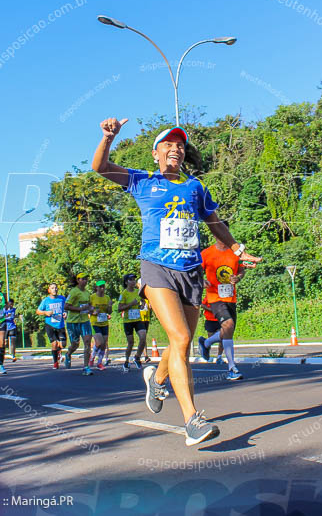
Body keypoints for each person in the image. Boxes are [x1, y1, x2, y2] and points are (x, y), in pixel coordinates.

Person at [92, 118, 261, 446]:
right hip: (156, 268)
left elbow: (215, 222)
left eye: (180, 145)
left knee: (179, 340)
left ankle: (156, 378)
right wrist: (108, 138)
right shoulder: (141, 181)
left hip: (191, 272)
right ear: (156, 153)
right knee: (182, 338)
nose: (176, 149)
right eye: (168, 144)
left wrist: (238, 250)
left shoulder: (194, 186)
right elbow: (100, 166)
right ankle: (192, 421)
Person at [198, 221, 251, 380]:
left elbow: (241, 270)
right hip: (214, 297)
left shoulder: (235, 253)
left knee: (228, 330)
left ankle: (206, 343)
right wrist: (202, 281)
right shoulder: (206, 253)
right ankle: (232, 368)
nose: (222, 235)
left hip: (230, 297)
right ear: (214, 234)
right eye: (219, 232)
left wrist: (238, 278)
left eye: (225, 232)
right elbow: (195, 272)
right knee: (228, 325)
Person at [64, 272, 94, 375]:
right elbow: (66, 306)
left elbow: (89, 306)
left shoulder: (87, 293)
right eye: (83, 279)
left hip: (84, 321)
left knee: (87, 342)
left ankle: (86, 367)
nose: (85, 281)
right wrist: (79, 309)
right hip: (73, 322)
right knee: (75, 344)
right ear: (78, 280)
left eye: (86, 279)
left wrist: (92, 310)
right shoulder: (74, 292)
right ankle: (68, 354)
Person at [118, 273, 147, 373]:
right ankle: (126, 361)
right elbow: (119, 308)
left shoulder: (137, 292)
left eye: (134, 279)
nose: (133, 281)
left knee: (143, 337)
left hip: (137, 319)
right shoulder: (124, 294)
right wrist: (131, 304)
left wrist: (142, 304)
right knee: (131, 342)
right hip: (128, 321)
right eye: (131, 279)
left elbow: (142, 300)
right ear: (126, 282)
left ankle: (137, 357)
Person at [37, 283, 67, 369]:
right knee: (54, 344)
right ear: (49, 290)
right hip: (50, 324)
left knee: (63, 345)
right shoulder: (46, 301)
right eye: (52, 288)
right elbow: (38, 311)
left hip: (60, 324)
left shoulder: (62, 299)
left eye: (56, 288)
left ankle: (59, 352)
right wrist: (45, 312)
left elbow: (67, 307)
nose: (55, 289)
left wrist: (65, 313)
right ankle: (55, 363)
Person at [89, 280, 112, 370]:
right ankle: (92, 357)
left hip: (104, 323)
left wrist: (109, 307)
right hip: (95, 323)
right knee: (99, 342)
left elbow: (109, 311)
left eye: (103, 286)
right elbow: (87, 309)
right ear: (96, 288)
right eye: (100, 287)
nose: (102, 288)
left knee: (104, 344)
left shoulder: (107, 298)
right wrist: (94, 312)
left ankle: (99, 363)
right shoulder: (92, 297)